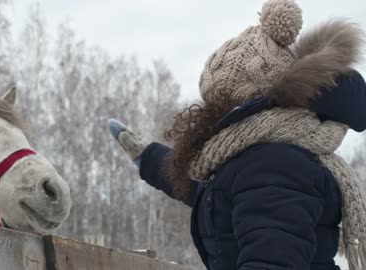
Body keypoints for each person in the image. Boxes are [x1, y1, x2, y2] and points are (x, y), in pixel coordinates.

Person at [108, 0, 366, 269]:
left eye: (216, 101)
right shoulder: (260, 159)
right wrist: (149, 158)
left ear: (242, 102)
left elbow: (270, 259)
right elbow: (213, 195)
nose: (208, 114)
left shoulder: (275, 165)